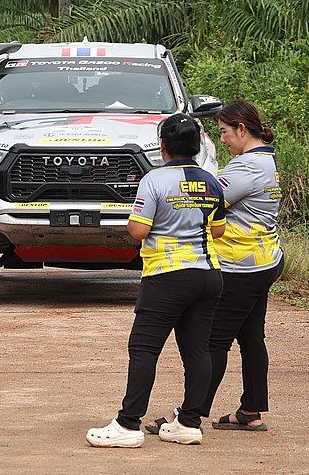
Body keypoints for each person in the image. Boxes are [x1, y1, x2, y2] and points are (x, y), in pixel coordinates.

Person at [87, 114, 226, 448]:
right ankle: (189, 423)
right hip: (209, 274)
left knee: (144, 348)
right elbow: (218, 229)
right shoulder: (211, 180)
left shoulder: (154, 180)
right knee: (197, 351)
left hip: (166, 276)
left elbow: (139, 229)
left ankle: (128, 424)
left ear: (162, 146)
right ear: (196, 147)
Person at [201, 101, 284, 431]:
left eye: (223, 131)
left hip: (241, 265)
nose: (222, 139)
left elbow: (207, 201)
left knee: (213, 341)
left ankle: (190, 413)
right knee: (250, 336)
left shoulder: (246, 167)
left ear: (241, 129)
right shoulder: (266, 160)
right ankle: (250, 410)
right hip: (263, 259)